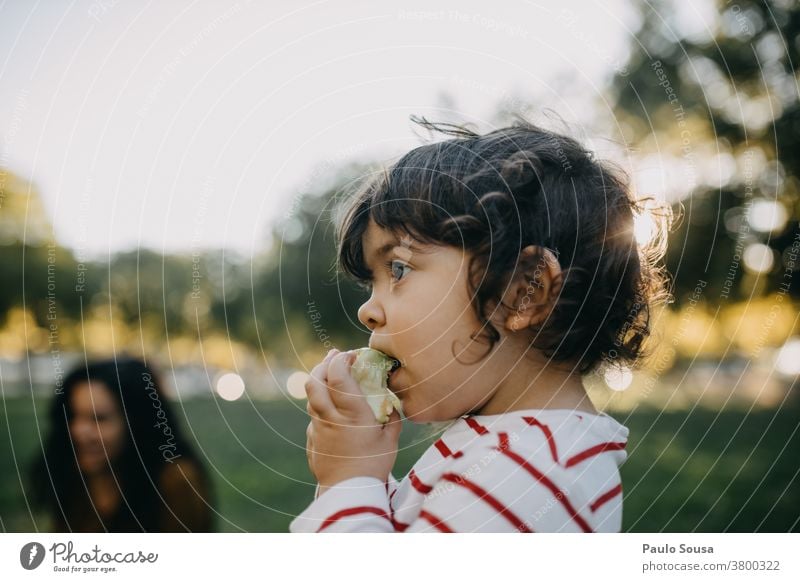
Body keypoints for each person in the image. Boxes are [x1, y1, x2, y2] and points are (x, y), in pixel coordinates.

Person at [291, 117, 670, 533]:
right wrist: (366, 477)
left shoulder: (530, 475)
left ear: (524, 289)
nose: (367, 311)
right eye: (372, 281)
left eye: (398, 268)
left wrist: (347, 481)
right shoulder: (519, 456)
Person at [31, 357, 214, 532]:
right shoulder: (74, 474)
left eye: (99, 419)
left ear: (136, 424)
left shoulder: (175, 482)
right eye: (72, 416)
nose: (79, 432)